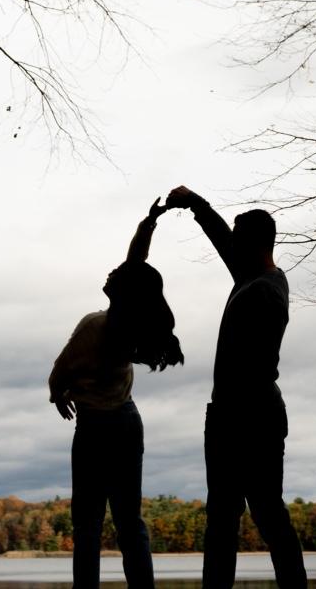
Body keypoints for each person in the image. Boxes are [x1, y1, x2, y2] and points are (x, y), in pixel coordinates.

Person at [163, 185, 308, 589]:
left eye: (239, 239)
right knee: (225, 518)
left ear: (257, 245)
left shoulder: (265, 291)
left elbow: (257, 367)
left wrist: (231, 415)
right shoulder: (254, 275)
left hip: (251, 415)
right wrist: (195, 204)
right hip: (231, 413)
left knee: (264, 512)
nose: (232, 245)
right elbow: (223, 241)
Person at [49, 200, 184, 589]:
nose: (111, 272)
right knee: (129, 522)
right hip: (127, 422)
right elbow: (135, 265)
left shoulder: (94, 327)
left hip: (94, 428)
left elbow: (57, 374)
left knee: (87, 525)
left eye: (117, 275)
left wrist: (59, 394)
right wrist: (149, 222)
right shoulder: (132, 329)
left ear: (122, 291)